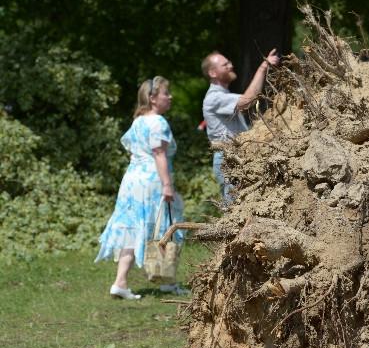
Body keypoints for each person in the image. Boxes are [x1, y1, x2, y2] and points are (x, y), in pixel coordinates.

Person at [96, 76, 186, 299]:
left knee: (132, 228)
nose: (170, 97)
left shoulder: (138, 121)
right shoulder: (158, 122)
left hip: (132, 181)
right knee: (163, 227)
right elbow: (159, 153)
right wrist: (167, 184)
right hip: (152, 180)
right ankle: (165, 280)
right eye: (166, 93)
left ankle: (121, 282)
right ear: (153, 98)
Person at [201, 49, 280, 199]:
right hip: (228, 157)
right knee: (235, 205)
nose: (231, 65)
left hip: (233, 156)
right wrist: (263, 68)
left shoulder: (222, 96)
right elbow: (247, 101)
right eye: (225, 64)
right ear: (213, 73)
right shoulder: (214, 97)